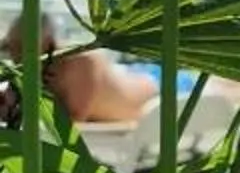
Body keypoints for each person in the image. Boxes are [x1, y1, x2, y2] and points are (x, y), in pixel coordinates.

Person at [1, 14, 156, 130]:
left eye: (22, 47)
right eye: (10, 47)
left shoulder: (82, 63)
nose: (15, 56)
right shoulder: (30, 68)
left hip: (151, 87)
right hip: (126, 75)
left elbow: (71, 123)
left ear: (50, 44)